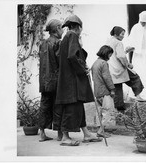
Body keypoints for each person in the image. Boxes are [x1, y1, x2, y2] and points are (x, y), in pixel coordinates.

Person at [54, 14, 102, 146]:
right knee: (71, 108)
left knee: (78, 107)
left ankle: (86, 134)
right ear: (79, 27)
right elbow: (72, 56)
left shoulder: (65, 38)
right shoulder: (73, 35)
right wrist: (83, 69)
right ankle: (65, 137)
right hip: (72, 81)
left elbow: (66, 55)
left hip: (68, 79)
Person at [106, 26, 145, 112]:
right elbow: (120, 56)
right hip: (119, 68)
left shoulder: (108, 41)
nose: (123, 36)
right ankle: (138, 96)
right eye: (122, 34)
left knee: (117, 88)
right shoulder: (118, 43)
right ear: (116, 34)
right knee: (135, 77)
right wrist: (128, 64)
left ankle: (118, 109)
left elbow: (114, 55)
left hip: (111, 69)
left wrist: (126, 51)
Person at [38, 19, 64, 142]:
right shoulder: (58, 43)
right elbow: (61, 62)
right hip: (56, 79)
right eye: (62, 28)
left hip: (44, 81)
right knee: (58, 106)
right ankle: (60, 134)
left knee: (44, 105)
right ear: (57, 28)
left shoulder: (43, 43)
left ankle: (42, 133)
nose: (63, 30)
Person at [91, 45, 115, 138]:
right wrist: (112, 89)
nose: (110, 57)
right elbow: (107, 77)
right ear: (107, 54)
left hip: (97, 91)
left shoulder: (95, 63)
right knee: (107, 111)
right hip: (104, 91)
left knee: (100, 112)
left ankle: (100, 130)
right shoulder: (104, 63)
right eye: (110, 54)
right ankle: (101, 131)